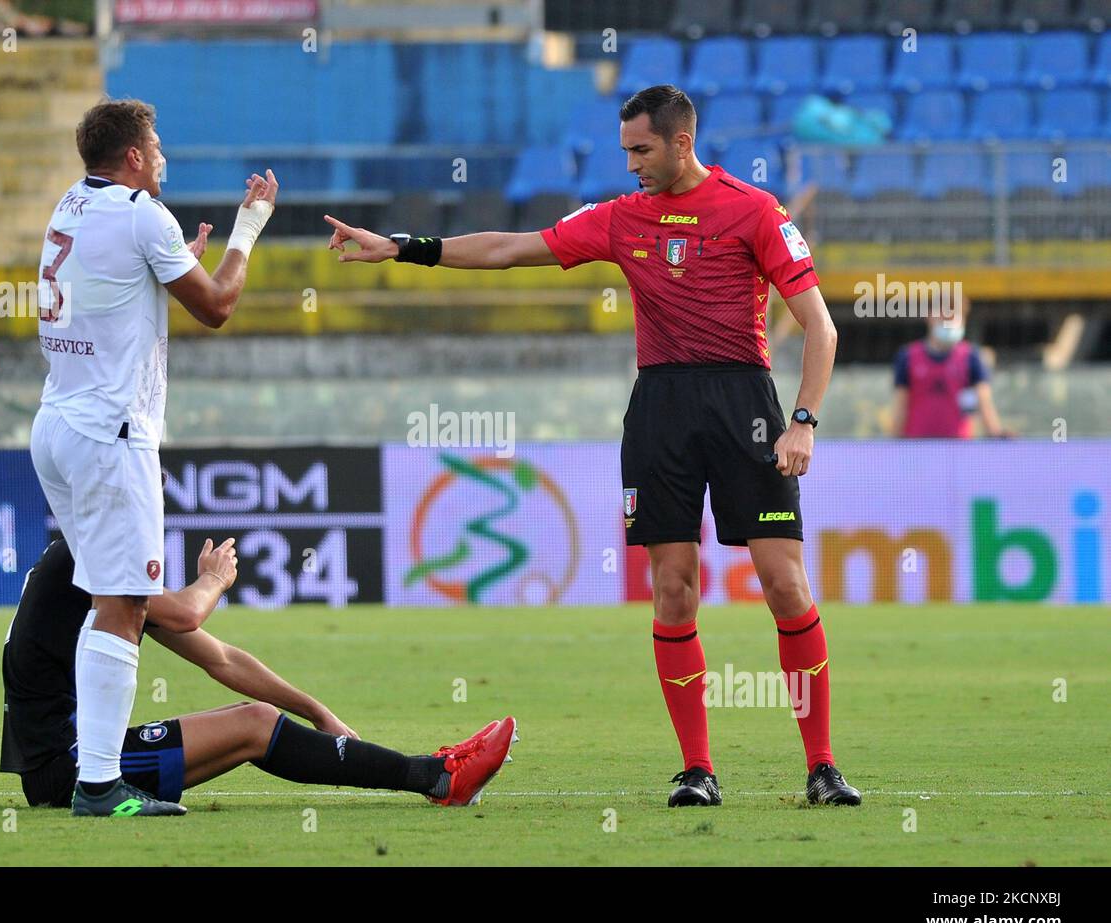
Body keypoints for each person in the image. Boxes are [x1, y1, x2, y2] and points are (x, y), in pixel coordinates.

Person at [324, 85, 861, 808]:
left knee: (785, 585)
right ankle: (697, 770)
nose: (632, 163)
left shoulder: (755, 212)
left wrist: (803, 421)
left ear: (680, 143)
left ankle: (822, 767)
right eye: (625, 151)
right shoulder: (620, 218)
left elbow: (821, 329)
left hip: (746, 408)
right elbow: (512, 249)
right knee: (672, 590)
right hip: (660, 410)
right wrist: (403, 248)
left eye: (641, 150)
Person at [30, 98, 278, 816]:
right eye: (157, 145)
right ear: (134, 157)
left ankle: (92, 771)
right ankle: (101, 785)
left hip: (59, 425)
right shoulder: (142, 213)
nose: (163, 156)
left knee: (116, 598)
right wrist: (249, 227)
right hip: (112, 434)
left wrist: (167, 266)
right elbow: (218, 307)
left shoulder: (71, 206)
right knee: (124, 604)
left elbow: (100, 292)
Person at [0, 536, 519, 813]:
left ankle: (436, 775)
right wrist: (213, 580)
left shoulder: (87, 553)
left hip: (72, 761)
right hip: (69, 770)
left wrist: (315, 709)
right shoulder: (92, 556)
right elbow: (186, 613)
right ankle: (439, 777)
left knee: (253, 720)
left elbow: (219, 658)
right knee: (253, 726)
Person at [891, 297, 1010, 438]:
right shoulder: (908, 357)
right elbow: (900, 406)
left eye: (954, 317)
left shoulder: (971, 357)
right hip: (916, 447)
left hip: (958, 447)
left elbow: (984, 402)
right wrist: (893, 443)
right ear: (930, 317)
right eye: (944, 317)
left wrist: (996, 434)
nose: (949, 323)